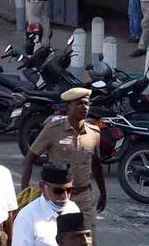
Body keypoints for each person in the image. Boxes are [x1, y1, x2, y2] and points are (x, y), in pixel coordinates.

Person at [23, 87, 106, 234]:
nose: (84, 107)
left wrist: (103, 193)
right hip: (57, 197)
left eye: (86, 104)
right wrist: (24, 192)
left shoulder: (94, 133)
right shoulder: (52, 129)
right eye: (79, 103)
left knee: (87, 244)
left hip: (84, 197)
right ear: (68, 106)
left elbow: (97, 165)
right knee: (55, 242)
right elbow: (30, 159)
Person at [10, 163, 79, 246]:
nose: (64, 197)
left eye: (69, 191)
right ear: (43, 187)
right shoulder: (27, 217)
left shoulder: (73, 209)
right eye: (58, 191)